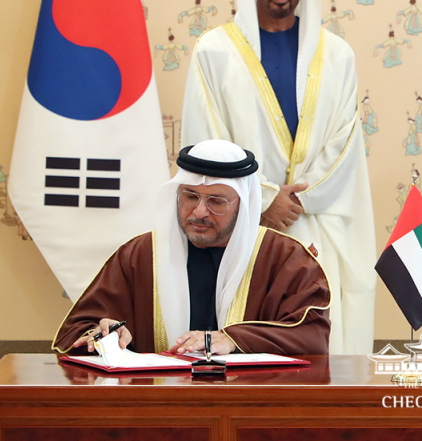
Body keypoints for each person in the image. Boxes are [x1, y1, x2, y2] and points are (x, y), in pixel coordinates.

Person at [181, 0, 376, 355]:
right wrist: (264, 199)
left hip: (318, 220)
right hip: (244, 222)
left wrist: (297, 201)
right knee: (245, 337)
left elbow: (345, 141)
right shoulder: (214, 52)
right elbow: (205, 140)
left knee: (320, 334)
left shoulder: (337, 56)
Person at [52, 140, 331, 357]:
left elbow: (311, 336)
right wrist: (103, 336)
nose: (199, 212)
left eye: (216, 202)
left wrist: (235, 339)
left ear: (243, 205)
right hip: (157, 412)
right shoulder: (140, 255)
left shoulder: (286, 259)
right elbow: (78, 330)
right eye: (190, 196)